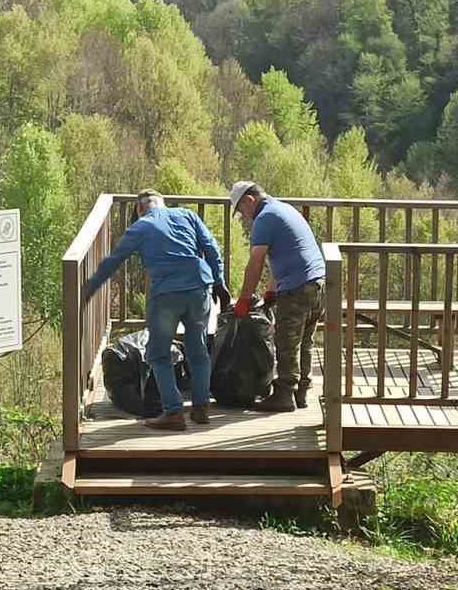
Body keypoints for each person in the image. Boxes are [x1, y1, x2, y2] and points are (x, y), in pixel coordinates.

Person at [84, 189, 232, 430]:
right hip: (199, 288)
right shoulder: (187, 215)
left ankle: (173, 412)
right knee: (198, 350)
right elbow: (212, 247)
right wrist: (219, 281)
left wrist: (89, 288)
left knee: (157, 354)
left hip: (166, 295)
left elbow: (114, 260)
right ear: (163, 203)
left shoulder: (141, 227)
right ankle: (201, 407)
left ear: (140, 209)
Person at [228, 181, 326, 412]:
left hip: (297, 289)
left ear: (250, 200)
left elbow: (256, 262)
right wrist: (271, 290)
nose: (244, 217)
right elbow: (284, 256)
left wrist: (244, 299)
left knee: (286, 342)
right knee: (305, 342)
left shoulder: (264, 219)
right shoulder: (283, 208)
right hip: (318, 283)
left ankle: (283, 395)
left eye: (242, 210)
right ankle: (301, 392)